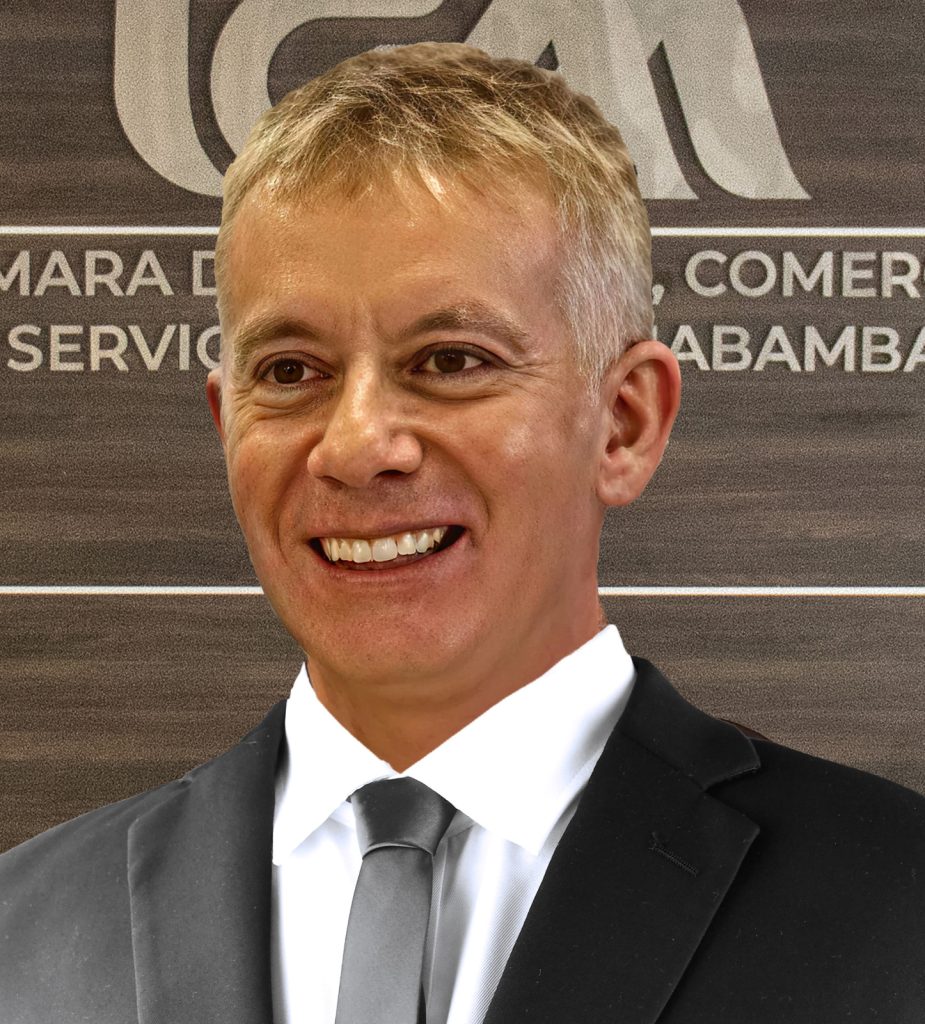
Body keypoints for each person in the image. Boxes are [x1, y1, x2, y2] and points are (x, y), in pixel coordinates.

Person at [0, 42, 922, 1024]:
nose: (356, 446)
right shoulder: (21, 928)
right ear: (228, 425)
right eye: (290, 372)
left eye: (450, 360)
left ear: (623, 424)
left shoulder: (898, 906)